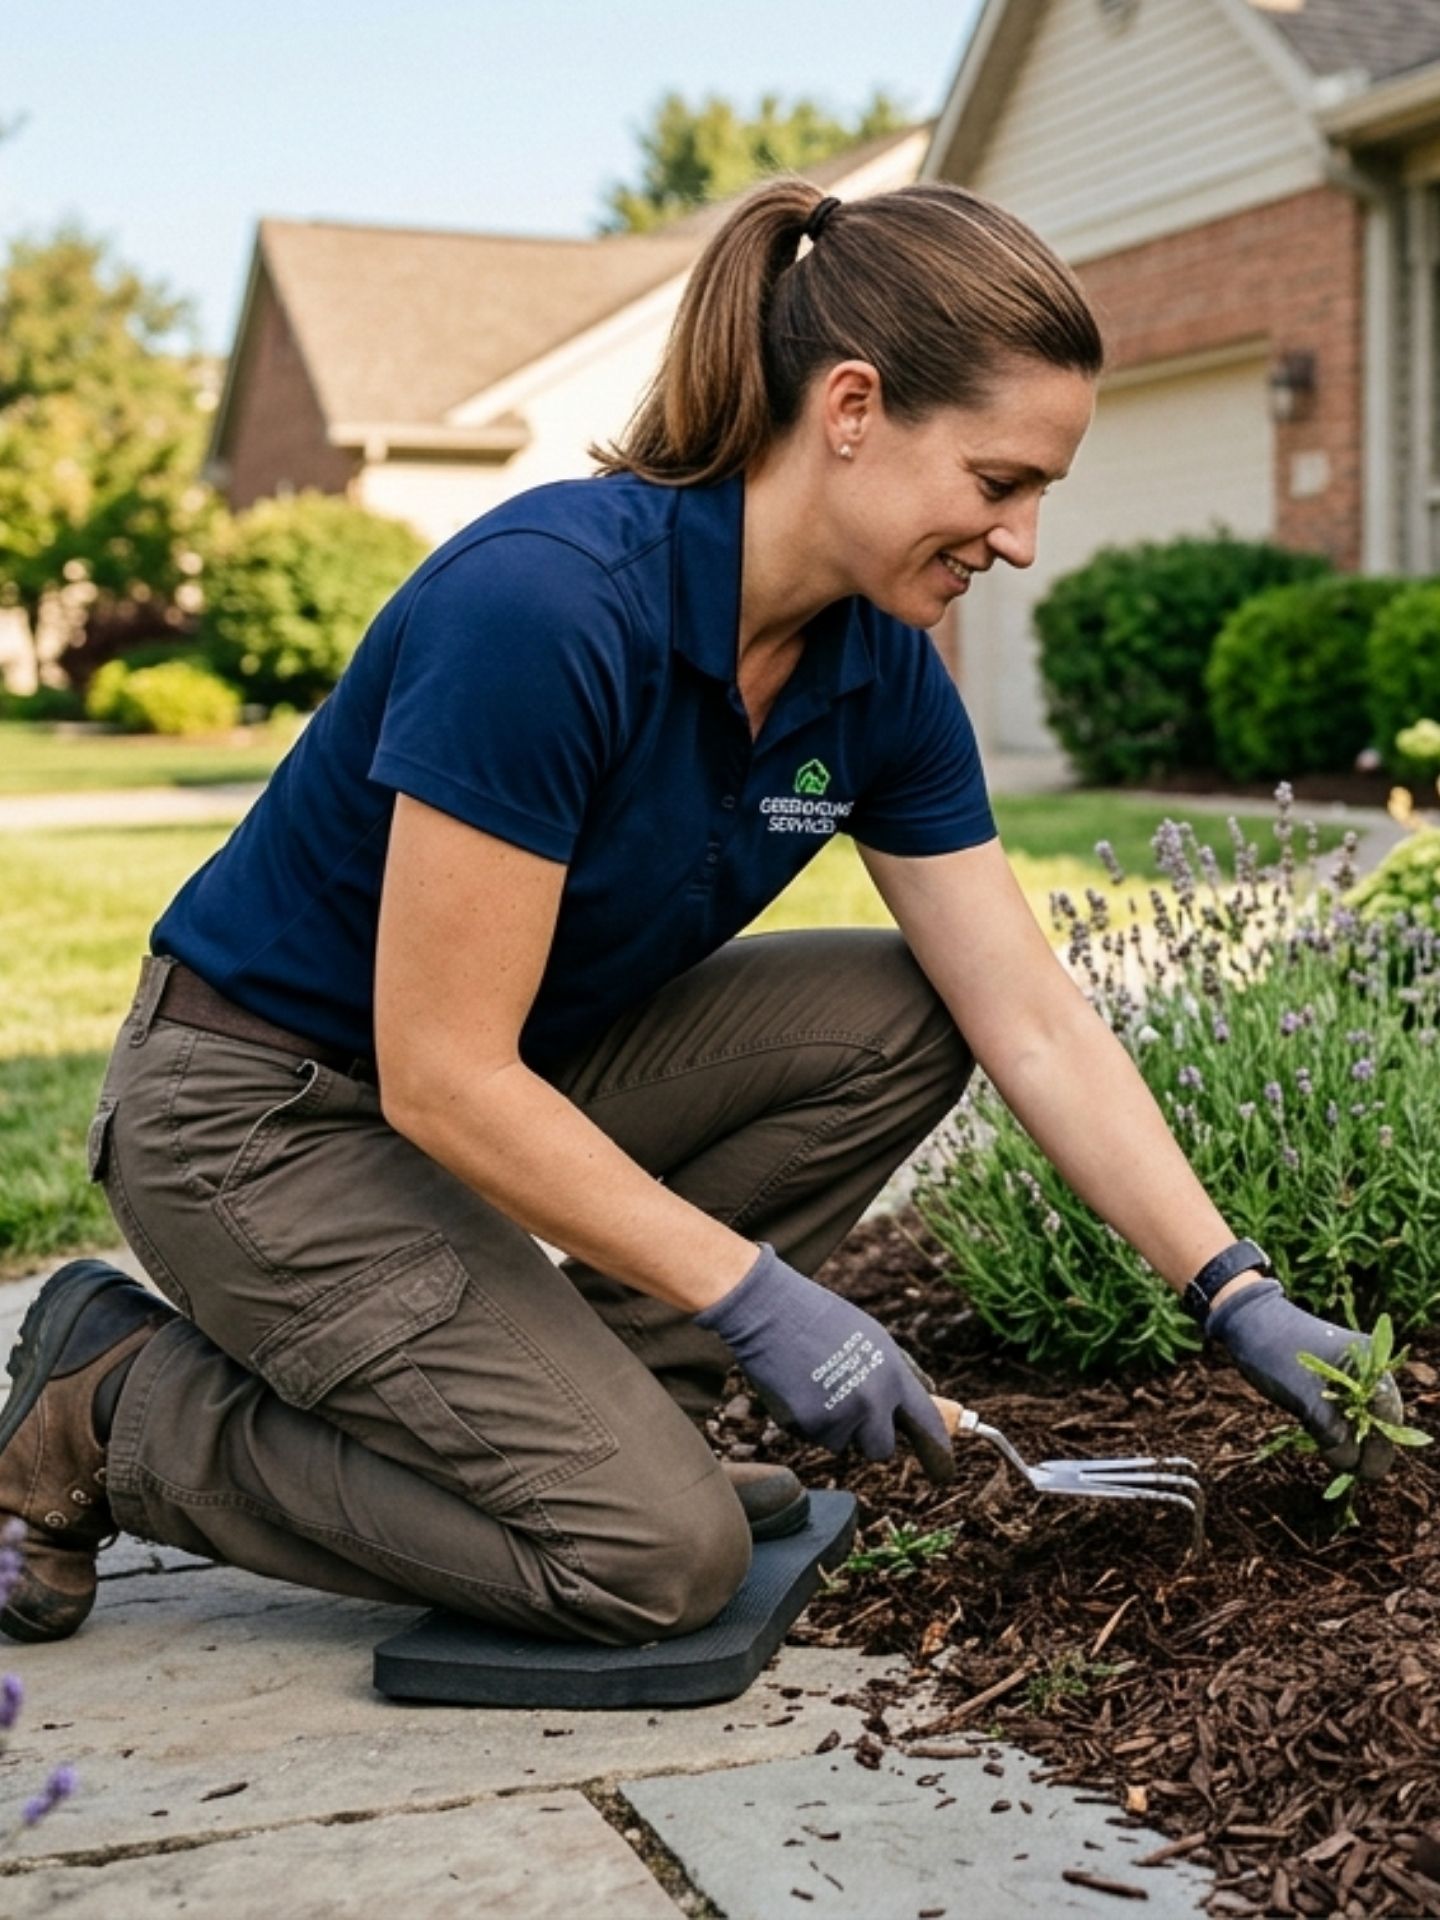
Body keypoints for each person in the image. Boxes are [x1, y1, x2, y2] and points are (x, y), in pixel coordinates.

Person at [0, 181, 1401, 1649]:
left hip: (488, 1089)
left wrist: (1236, 1291)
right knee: (656, 1564)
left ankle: (608, 1413)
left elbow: (1032, 1017)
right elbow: (440, 1070)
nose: (1025, 538)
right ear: (851, 406)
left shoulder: (881, 676)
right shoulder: (546, 611)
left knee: (908, 1013)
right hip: (261, 1115)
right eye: (1000, 481)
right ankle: (117, 1409)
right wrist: (756, 1295)